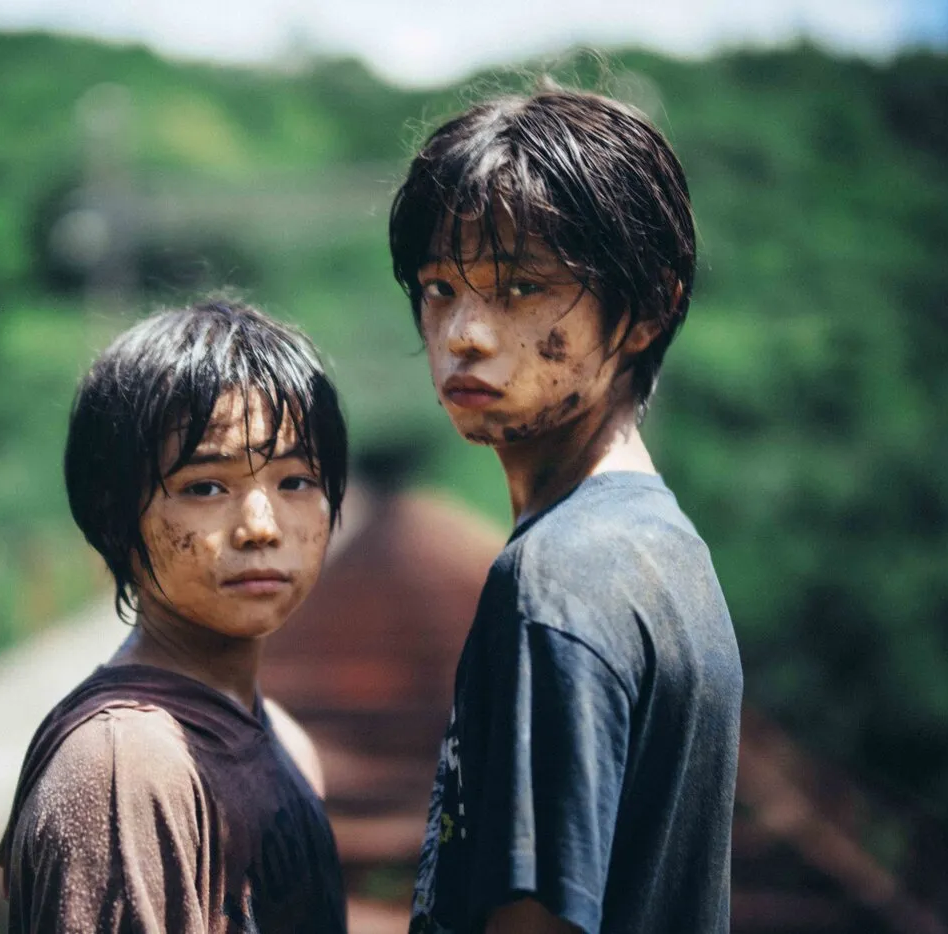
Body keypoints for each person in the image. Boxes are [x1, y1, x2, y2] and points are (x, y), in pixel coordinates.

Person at [388, 81, 744, 934]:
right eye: (439, 286)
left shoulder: (555, 579)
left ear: (647, 309)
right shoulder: (660, 546)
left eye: (518, 289)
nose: (464, 333)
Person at [0, 299, 349, 934]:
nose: (261, 528)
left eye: (296, 481)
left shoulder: (282, 737)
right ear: (114, 513)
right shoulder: (123, 769)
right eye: (205, 487)